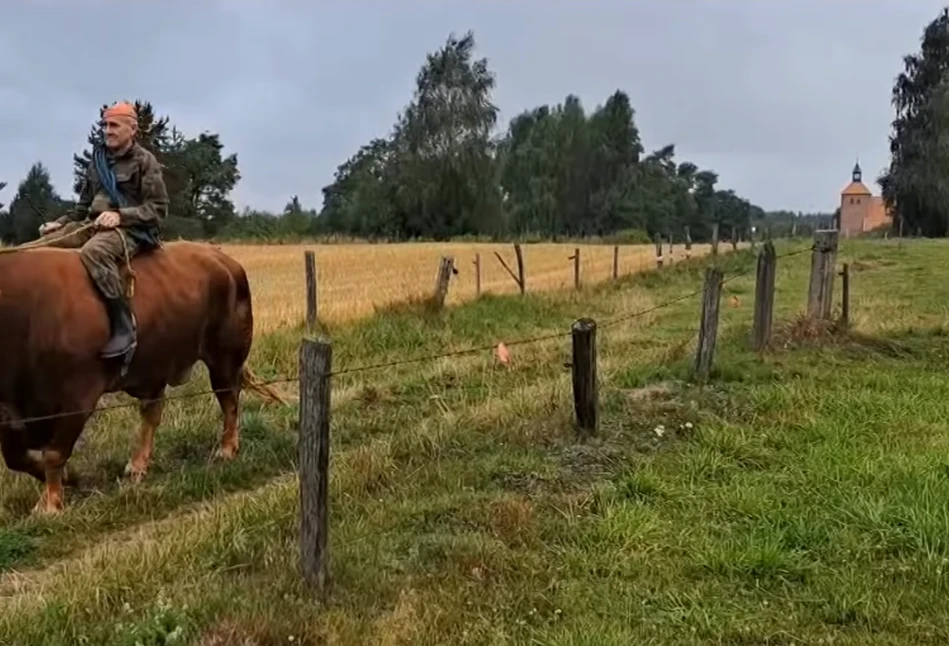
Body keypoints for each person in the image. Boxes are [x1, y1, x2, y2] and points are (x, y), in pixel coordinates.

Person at [38, 100, 169, 360]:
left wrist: (120, 216)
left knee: (95, 253)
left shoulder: (145, 162)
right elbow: (83, 207)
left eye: (114, 125)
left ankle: (123, 322)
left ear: (132, 130)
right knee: (41, 248)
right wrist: (61, 224)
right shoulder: (97, 161)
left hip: (131, 229)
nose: (107, 130)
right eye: (105, 125)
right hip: (91, 224)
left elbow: (158, 209)